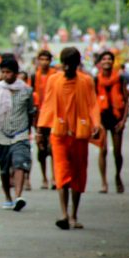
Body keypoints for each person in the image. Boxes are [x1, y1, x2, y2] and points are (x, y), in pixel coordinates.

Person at [37, 47, 101, 230]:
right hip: (59, 133)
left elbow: (92, 104)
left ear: (77, 65)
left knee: (79, 173)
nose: (66, 68)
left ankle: (74, 215)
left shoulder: (86, 81)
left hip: (80, 134)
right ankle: (64, 214)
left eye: (70, 65)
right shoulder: (54, 80)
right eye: (64, 64)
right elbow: (48, 104)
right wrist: (41, 131)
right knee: (61, 172)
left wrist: (96, 124)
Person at [0, 58, 35, 211]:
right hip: (1, 134)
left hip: (20, 134)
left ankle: (19, 196)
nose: (6, 75)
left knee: (19, 162)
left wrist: (32, 131)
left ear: (16, 73)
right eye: (4, 72)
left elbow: (31, 112)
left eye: (9, 72)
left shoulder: (26, 90)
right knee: (4, 170)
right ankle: (8, 197)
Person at [95, 51, 129, 193]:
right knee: (102, 151)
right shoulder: (96, 80)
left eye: (109, 59)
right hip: (102, 118)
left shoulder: (120, 78)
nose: (107, 61)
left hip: (116, 118)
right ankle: (103, 182)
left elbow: (126, 101)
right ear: (100, 63)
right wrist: (95, 122)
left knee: (117, 153)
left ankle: (117, 176)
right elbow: (92, 102)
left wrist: (123, 120)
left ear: (113, 62)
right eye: (104, 59)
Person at [31, 50, 58, 189]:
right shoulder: (34, 76)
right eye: (41, 59)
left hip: (53, 115)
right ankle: (44, 178)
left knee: (53, 147)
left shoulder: (55, 74)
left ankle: (54, 177)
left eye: (46, 59)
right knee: (41, 148)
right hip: (39, 117)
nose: (44, 62)